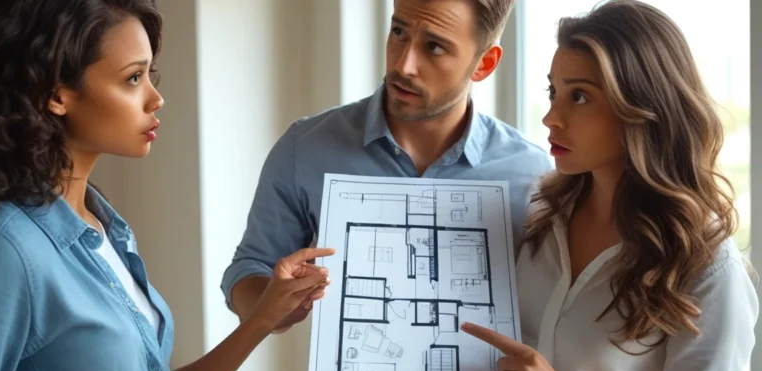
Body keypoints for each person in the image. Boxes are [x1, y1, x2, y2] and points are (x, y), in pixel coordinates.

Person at [0, 1, 333, 371]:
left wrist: (262, 318)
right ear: (57, 95)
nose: (156, 99)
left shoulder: (103, 228)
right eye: (133, 78)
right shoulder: (1, 250)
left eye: (149, 74)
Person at [461, 1, 759, 371]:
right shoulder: (538, 216)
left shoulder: (707, 268)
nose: (551, 117)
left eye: (580, 97)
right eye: (554, 91)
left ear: (641, 107)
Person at [221, 0, 552, 332]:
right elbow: (249, 268)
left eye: (434, 47)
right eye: (398, 32)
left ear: (484, 63)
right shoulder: (305, 148)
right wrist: (273, 305)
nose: (404, 65)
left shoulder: (533, 174)